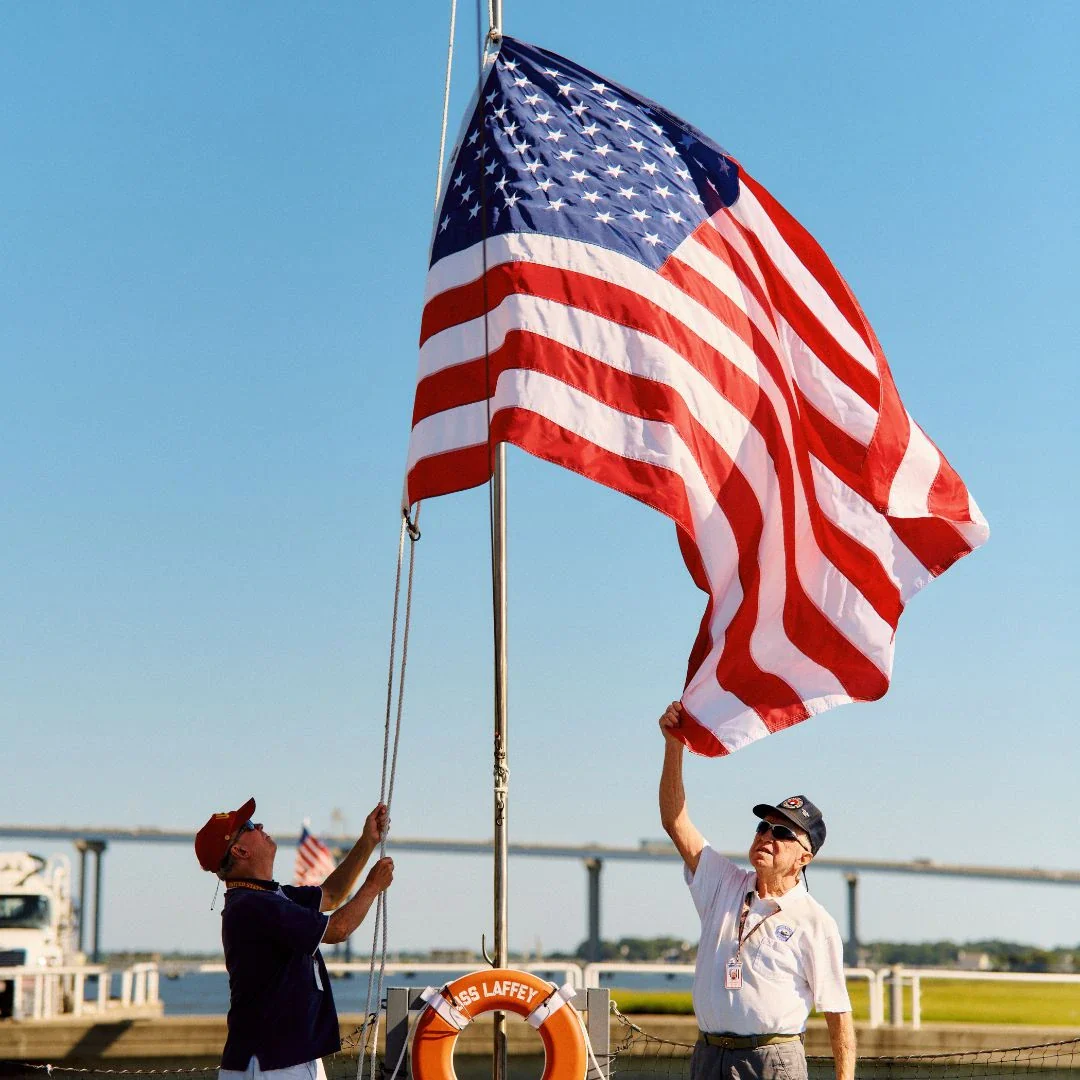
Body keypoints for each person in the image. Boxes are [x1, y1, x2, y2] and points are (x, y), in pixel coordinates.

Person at [658, 701, 856, 1080]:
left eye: (782, 833)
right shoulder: (724, 882)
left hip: (772, 1060)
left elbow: (837, 1011)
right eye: (763, 827)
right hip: (709, 1055)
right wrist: (673, 745)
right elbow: (675, 822)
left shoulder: (815, 922)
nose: (767, 836)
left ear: (804, 858)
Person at [195, 797, 395, 1080]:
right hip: (272, 1064)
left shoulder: (269, 897)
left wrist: (367, 841)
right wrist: (373, 886)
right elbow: (337, 930)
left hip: (283, 1060)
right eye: (248, 825)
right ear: (239, 850)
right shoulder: (254, 904)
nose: (259, 825)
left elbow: (332, 894)